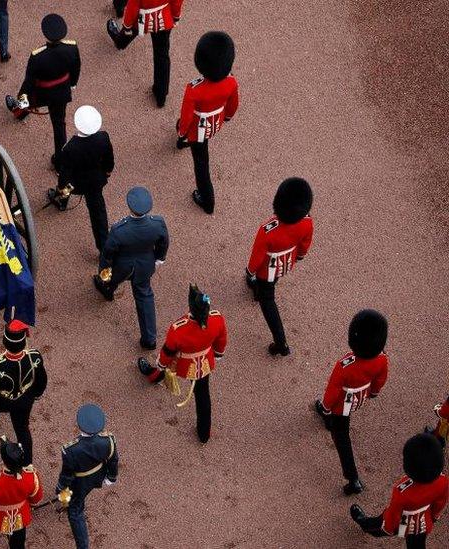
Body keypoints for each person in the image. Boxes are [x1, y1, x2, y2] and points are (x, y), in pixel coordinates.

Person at [137, 285, 227, 443]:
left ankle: (154, 376)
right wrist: (218, 354)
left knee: (164, 368)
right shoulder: (217, 318)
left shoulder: (178, 328)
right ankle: (204, 433)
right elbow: (221, 340)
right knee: (203, 397)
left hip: (182, 363)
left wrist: (161, 364)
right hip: (204, 362)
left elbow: (167, 352)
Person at [314, 310, 390, 495]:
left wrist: (325, 408)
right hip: (360, 397)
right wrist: (374, 392)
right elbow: (380, 380)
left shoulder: (344, 366)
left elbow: (332, 392)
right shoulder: (382, 359)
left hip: (341, 405)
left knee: (341, 437)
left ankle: (353, 478)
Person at [93, 186, 169, 350]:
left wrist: (104, 271)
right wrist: (159, 259)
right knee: (144, 297)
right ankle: (149, 339)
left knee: (111, 280)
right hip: (145, 265)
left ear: (130, 207)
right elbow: (163, 243)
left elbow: (108, 253)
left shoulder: (119, 229)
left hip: (122, 266)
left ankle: (108, 290)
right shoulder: (158, 223)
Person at [245, 177, 314, 356]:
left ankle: (280, 342)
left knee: (267, 301)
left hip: (266, 269)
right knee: (270, 283)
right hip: (286, 262)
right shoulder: (306, 222)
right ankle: (256, 289)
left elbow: (257, 257)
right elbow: (304, 245)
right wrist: (299, 257)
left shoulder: (267, 230)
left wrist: (250, 271)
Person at [5, 13, 80, 167]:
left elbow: (29, 82)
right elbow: (76, 68)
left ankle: (19, 111)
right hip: (62, 92)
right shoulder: (72, 47)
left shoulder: (37, 56)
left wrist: (21, 97)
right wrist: (72, 84)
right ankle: (59, 161)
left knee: (26, 102)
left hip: (41, 92)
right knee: (59, 126)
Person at [176, 31, 239, 214]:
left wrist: (182, 134)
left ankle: (207, 201)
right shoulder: (231, 81)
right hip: (215, 121)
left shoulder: (194, 89)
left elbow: (187, 118)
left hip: (196, 129)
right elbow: (233, 106)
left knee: (201, 165)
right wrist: (226, 117)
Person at [351, 433, 448, 549]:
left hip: (403, 523)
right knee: (416, 544)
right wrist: (434, 517)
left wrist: (388, 529)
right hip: (423, 522)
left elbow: (393, 515)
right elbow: (439, 504)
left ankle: (364, 524)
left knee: (377, 527)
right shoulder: (443, 481)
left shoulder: (402, 491)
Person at [0, 320, 47, 464]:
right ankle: (27, 466)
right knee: (23, 431)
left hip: (2, 401)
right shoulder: (35, 356)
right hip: (25, 401)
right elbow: (42, 380)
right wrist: (36, 394)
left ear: (5, 342)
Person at [48, 105, 114, 252]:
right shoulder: (103, 137)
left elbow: (64, 174)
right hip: (95, 181)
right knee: (98, 215)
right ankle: (103, 247)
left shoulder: (70, 148)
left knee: (65, 188)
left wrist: (61, 189)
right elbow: (109, 159)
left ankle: (62, 202)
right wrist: (107, 172)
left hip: (75, 183)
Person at [56, 404, 119, 549]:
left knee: (75, 511)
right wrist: (111, 477)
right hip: (97, 477)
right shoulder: (109, 440)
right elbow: (113, 459)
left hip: (79, 482)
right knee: (81, 498)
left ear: (80, 426)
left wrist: (60, 489)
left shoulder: (70, 450)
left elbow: (67, 475)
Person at [105, 0, 183, 108]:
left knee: (130, 31)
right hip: (164, 17)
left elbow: (133, 7)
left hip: (142, 18)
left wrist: (127, 26)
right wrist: (175, 16)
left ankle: (120, 42)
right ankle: (161, 95)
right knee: (162, 55)